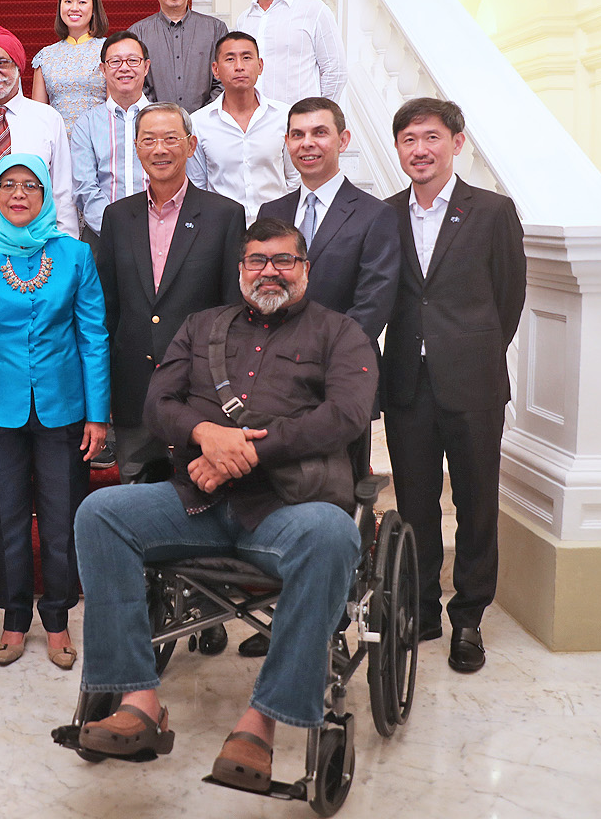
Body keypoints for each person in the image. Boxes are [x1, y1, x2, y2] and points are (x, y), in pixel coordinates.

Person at [72, 216, 377, 793]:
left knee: (335, 535)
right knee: (100, 513)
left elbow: (346, 416)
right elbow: (159, 402)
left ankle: (260, 722)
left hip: (291, 510)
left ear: (305, 269)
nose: (270, 270)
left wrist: (247, 452)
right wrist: (208, 436)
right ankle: (138, 700)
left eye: (284, 260)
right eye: (258, 260)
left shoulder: (341, 334)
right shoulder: (202, 326)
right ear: (240, 270)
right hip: (198, 499)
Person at [232, 95, 400, 659]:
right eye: (297, 134)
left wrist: (319, 362)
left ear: (342, 140)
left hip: (338, 386)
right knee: (275, 495)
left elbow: (375, 299)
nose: (308, 143)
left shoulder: (374, 214)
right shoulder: (273, 210)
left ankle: (325, 622)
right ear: (286, 143)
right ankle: (279, 616)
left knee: (335, 498)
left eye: (319, 133)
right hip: (269, 385)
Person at [381, 97, 526, 675]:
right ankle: (420, 607)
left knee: (475, 502)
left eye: (431, 137)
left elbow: (508, 297)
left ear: (456, 142)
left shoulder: (491, 211)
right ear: (397, 149)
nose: (420, 149)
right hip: (406, 383)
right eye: (409, 139)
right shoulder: (384, 214)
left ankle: (469, 616)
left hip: (472, 383)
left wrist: (472, 351)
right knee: (415, 503)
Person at [0, 153, 109, 670]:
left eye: (30, 186)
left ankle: (59, 620)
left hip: (64, 411)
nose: (19, 194)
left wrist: (98, 413)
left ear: (45, 196)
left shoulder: (75, 256)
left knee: (62, 521)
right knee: (5, 519)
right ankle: (15, 618)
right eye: (8, 185)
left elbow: (93, 336)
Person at [95, 101, 245, 484]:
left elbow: (232, 309)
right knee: (135, 501)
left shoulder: (224, 215)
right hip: (134, 392)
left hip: (200, 394)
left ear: (191, 145)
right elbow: (109, 308)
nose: (159, 149)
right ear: (136, 147)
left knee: (201, 504)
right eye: (148, 140)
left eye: (170, 139)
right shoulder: (116, 216)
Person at [0, 22, 79, 236]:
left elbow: (62, 191)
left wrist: (67, 241)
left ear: (18, 66)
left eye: (2, 63)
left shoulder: (47, 118)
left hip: (37, 237)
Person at [189, 31, 294, 222]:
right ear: (216, 69)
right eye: (230, 59)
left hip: (277, 226)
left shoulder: (284, 117)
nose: (239, 67)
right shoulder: (198, 123)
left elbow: (294, 179)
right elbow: (198, 186)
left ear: (260, 65)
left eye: (246, 58)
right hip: (222, 228)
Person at [69, 30, 151, 239]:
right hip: (104, 235)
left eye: (133, 60)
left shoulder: (167, 119)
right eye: (115, 62)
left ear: (146, 67)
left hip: (163, 234)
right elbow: (85, 188)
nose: (124, 68)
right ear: (103, 70)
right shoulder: (86, 124)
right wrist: (116, 228)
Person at [128, 0, 227, 114]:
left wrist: (201, 119)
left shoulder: (216, 30)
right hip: (154, 127)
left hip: (206, 128)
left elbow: (223, 81)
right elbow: (136, 84)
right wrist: (160, 117)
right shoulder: (137, 34)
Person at [30, 0, 109, 138]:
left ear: (94, 9)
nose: (74, 8)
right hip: (58, 144)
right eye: (68, 1)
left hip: (99, 139)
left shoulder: (108, 50)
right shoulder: (45, 56)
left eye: (82, 2)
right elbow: (37, 115)